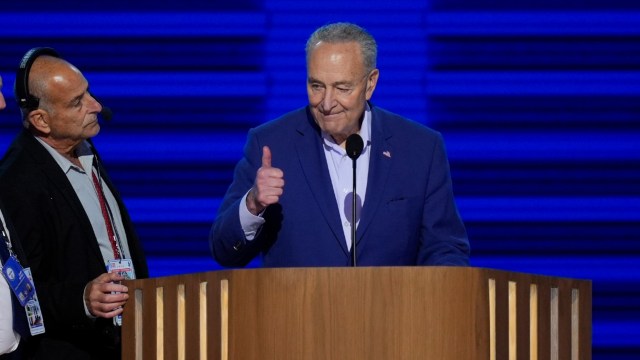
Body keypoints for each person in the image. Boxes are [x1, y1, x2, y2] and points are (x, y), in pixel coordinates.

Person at [210, 22, 470, 267]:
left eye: (342, 88)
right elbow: (223, 251)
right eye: (316, 86)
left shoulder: (420, 148)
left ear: (370, 84)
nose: (326, 102)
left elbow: (446, 249)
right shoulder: (270, 144)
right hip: (295, 313)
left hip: (394, 313)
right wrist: (253, 204)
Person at [0, 48, 148, 359]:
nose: (96, 106)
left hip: (123, 341)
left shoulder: (82, 145)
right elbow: (22, 294)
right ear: (41, 120)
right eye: (77, 103)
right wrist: (82, 299)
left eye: (88, 92)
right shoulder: (18, 181)